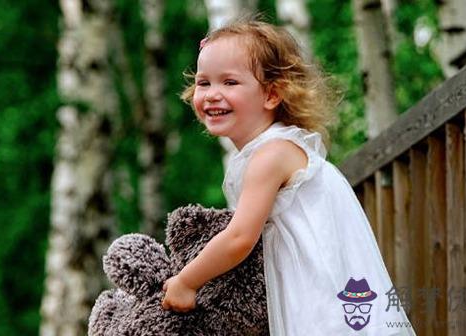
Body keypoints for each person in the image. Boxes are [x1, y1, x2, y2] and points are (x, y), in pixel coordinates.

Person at [162, 18, 416, 335]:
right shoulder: (271, 150)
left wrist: (187, 280)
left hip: (323, 303)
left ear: (271, 95)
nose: (212, 94)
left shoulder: (272, 155)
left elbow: (240, 238)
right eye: (204, 82)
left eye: (229, 82)